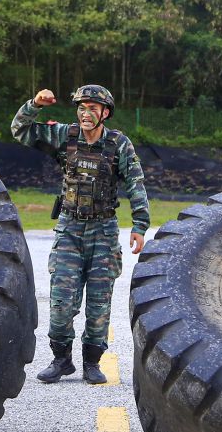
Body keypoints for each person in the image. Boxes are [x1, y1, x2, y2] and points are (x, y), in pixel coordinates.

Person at [12, 85, 149, 385]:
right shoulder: (66, 136)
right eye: (81, 108)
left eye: (92, 109)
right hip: (70, 228)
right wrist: (34, 104)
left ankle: (92, 362)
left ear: (105, 113)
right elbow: (20, 131)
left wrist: (140, 224)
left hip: (103, 231)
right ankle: (61, 360)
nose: (86, 114)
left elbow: (135, 183)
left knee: (99, 301)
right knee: (61, 299)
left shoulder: (118, 144)